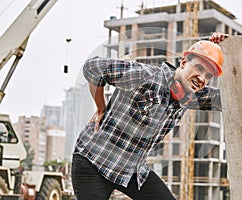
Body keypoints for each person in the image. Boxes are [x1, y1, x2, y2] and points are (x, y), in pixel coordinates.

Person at [71, 32, 228, 200]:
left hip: (132, 170)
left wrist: (229, 48)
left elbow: (230, 98)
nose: (202, 78)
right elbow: (93, 68)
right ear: (183, 63)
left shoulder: (190, 96)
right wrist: (101, 108)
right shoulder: (144, 75)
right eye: (199, 68)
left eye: (209, 76)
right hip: (94, 160)